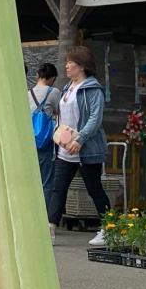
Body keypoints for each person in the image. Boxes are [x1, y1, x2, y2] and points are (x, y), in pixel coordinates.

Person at [46, 46, 111, 246]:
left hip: (86, 149)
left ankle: (109, 229)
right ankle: (50, 229)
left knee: (94, 188)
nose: (66, 66)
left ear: (82, 66)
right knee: (58, 189)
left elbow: (95, 118)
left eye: (70, 62)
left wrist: (80, 139)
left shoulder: (92, 89)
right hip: (65, 150)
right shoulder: (67, 88)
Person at [28, 62, 60, 199]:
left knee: (31, 179)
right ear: (52, 78)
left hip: (29, 140)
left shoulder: (28, 93)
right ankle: (45, 210)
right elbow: (60, 112)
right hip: (45, 140)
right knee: (46, 181)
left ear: (37, 75)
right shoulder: (54, 92)